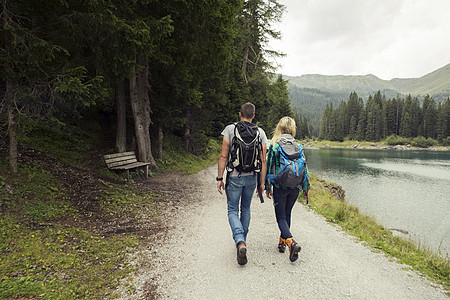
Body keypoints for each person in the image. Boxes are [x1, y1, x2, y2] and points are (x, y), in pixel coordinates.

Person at [217, 102, 268, 265]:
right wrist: (262, 183)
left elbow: (223, 156)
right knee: (245, 208)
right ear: (253, 115)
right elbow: (263, 160)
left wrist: (219, 178)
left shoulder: (230, 129)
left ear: (240, 114)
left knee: (232, 210)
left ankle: (239, 241)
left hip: (234, 176)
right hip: (252, 177)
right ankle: (242, 241)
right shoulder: (260, 132)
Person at [265, 116, 309, 262]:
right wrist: (305, 187)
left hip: (280, 186)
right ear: (292, 129)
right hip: (295, 186)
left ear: (279, 128)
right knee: (287, 214)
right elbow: (305, 168)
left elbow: (269, 167)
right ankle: (282, 242)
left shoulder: (275, 145)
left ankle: (291, 242)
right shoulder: (299, 146)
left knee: (281, 217)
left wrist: (267, 186)